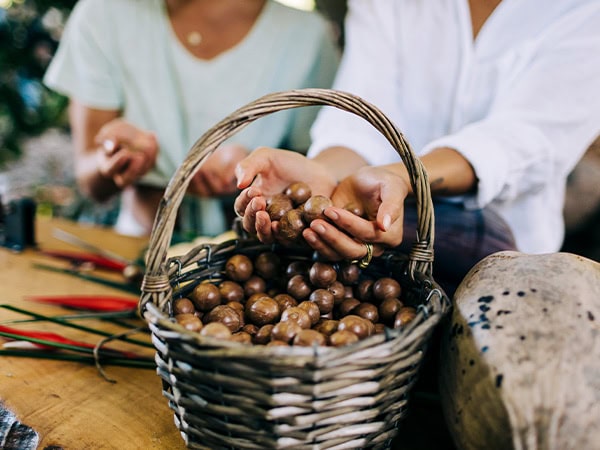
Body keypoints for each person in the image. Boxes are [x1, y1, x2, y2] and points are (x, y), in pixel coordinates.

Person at [233, 0, 600, 296]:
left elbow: (523, 140)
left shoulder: (583, 11)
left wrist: (401, 177)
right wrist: (326, 174)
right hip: (374, 267)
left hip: (509, 277)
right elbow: (358, 120)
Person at [43, 0, 339, 238]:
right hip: (138, 247)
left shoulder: (308, 36)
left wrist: (256, 168)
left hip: (257, 257)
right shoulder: (103, 14)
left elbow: (321, 166)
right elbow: (90, 180)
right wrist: (115, 158)